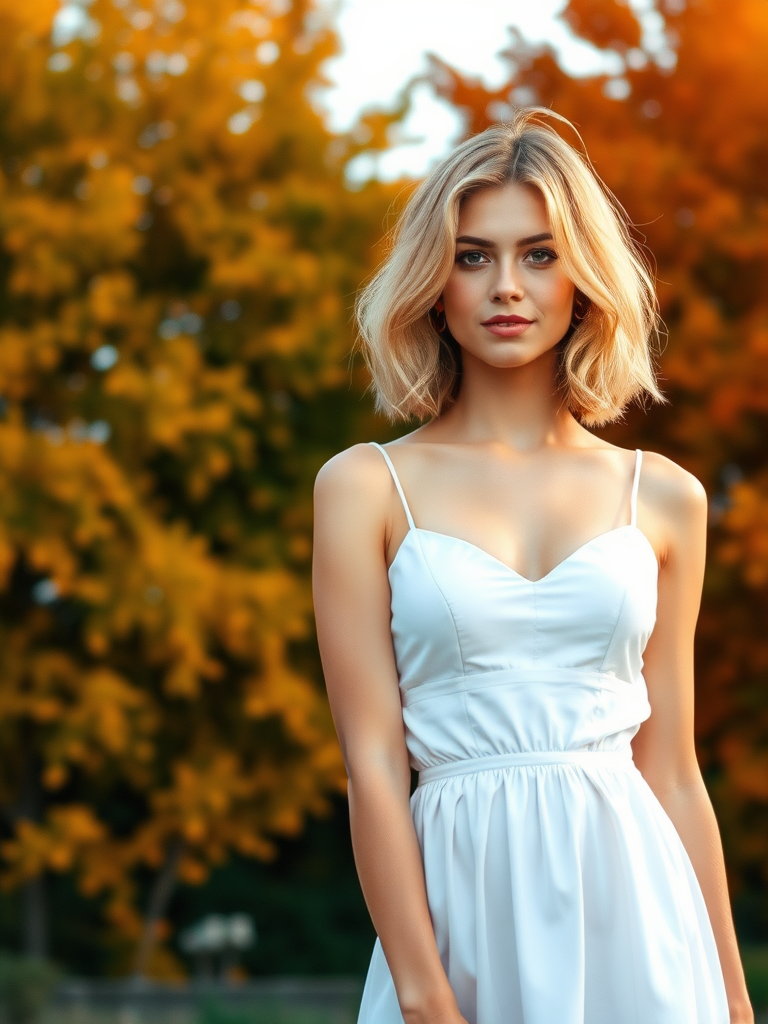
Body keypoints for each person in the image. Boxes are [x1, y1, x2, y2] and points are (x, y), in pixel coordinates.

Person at [311, 109, 753, 1024]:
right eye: (473, 256)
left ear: (583, 279)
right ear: (435, 286)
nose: (505, 285)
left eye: (539, 254)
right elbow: (373, 761)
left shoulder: (665, 497)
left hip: (640, 913)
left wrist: (736, 999)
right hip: (458, 917)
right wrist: (426, 995)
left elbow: (671, 768)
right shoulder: (364, 487)